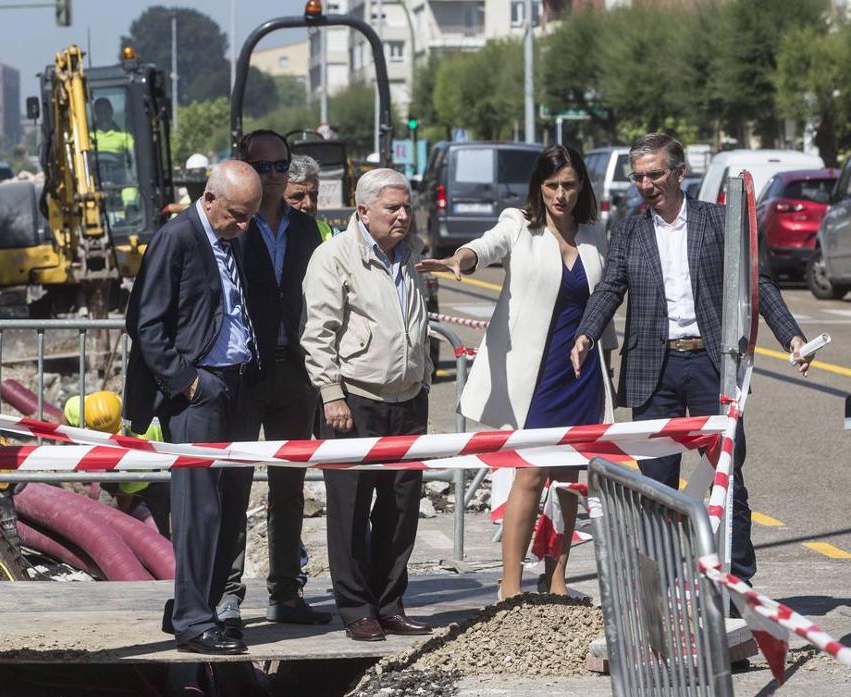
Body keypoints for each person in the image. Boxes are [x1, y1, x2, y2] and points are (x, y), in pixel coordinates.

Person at [570, 133, 810, 583]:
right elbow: (610, 287)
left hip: (710, 367)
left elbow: (758, 285)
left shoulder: (718, 222)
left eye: (655, 174)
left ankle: (736, 584)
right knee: (655, 488)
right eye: (639, 176)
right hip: (652, 373)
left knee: (726, 481)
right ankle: (662, 586)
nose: (646, 184)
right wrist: (586, 332)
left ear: (680, 173)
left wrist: (792, 338)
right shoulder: (631, 229)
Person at [421, 145, 617, 599]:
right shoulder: (520, 224)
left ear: (582, 185)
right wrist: (461, 258)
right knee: (528, 473)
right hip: (534, 372)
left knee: (569, 476)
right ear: (539, 188)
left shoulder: (594, 233)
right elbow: (487, 245)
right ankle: (510, 585)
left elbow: (606, 295)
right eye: (551, 186)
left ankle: (556, 576)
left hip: (581, 371)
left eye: (569, 185)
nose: (560, 195)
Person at [123, 159, 262, 655]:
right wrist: (186, 384)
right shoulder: (176, 238)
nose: (244, 227)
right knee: (199, 508)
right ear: (210, 200)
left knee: (228, 506)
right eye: (237, 216)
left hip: (238, 383)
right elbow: (146, 323)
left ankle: (200, 607)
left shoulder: (234, 237)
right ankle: (193, 622)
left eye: (250, 217)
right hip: (199, 392)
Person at [302, 168, 434, 642]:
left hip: (407, 399)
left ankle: (390, 602)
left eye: (406, 207)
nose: (403, 216)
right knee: (350, 508)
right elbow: (318, 333)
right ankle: (356, 607)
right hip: (354, 401)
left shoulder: (413, 253)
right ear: (363, 211)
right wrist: (331, 393)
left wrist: (421, 380)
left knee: (401, 507)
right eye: (392, 208)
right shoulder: (334, 257)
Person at [217, 130, 331, 629]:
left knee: (290, 485)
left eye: (281, 165)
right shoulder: (231, 228)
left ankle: (286, 592)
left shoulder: (305, 230)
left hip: (295, 371)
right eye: (263, 167)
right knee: (233, 483)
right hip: (246, 372)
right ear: (244, 167)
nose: (275, 175)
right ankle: (225, 594)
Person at [63, 391, 171, 536]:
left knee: (160, 511)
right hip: (121, 462)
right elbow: (66, 415)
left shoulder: (140, 436)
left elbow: (126, 493)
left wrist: (113, 520)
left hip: (153, 466)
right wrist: (66, 453)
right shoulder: (82, 408)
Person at [285, 154, 335, 241]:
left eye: (313, 195)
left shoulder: (330, 233)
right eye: (298, 197)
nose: (308, 204)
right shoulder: (267, 237)